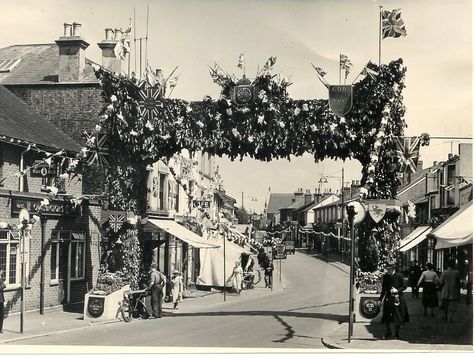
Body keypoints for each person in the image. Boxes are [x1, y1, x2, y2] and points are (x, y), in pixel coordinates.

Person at [378, 262, 409, 340]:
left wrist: (397, 290)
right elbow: (384, 289)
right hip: (388, 297)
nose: (389, 271)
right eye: (387, 269)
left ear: (393, 269)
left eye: (390, 269)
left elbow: (404, 286)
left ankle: (396, 334)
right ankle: (388, 332)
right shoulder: (385, 277)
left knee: (397, 316)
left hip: (397, 298)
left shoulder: (399, 276)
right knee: (386, 315)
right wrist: (380, 299)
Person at [0, 269, 5, 334]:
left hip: (1, 299)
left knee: (1, 315)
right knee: (1, 314)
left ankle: (0, 328)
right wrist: (4, 285)